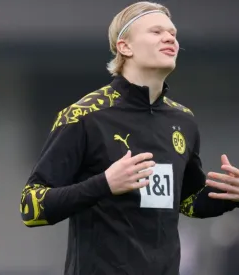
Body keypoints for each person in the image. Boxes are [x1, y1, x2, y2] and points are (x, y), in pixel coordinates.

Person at [20, 2, 238, 275]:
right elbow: (31, 207)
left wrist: (230, 195)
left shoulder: (183, 120)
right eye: (156, 31)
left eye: (172, 33)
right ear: (125, 47)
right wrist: (105, 183)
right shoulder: (85, 115)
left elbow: (187, 203)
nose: (170, 38)